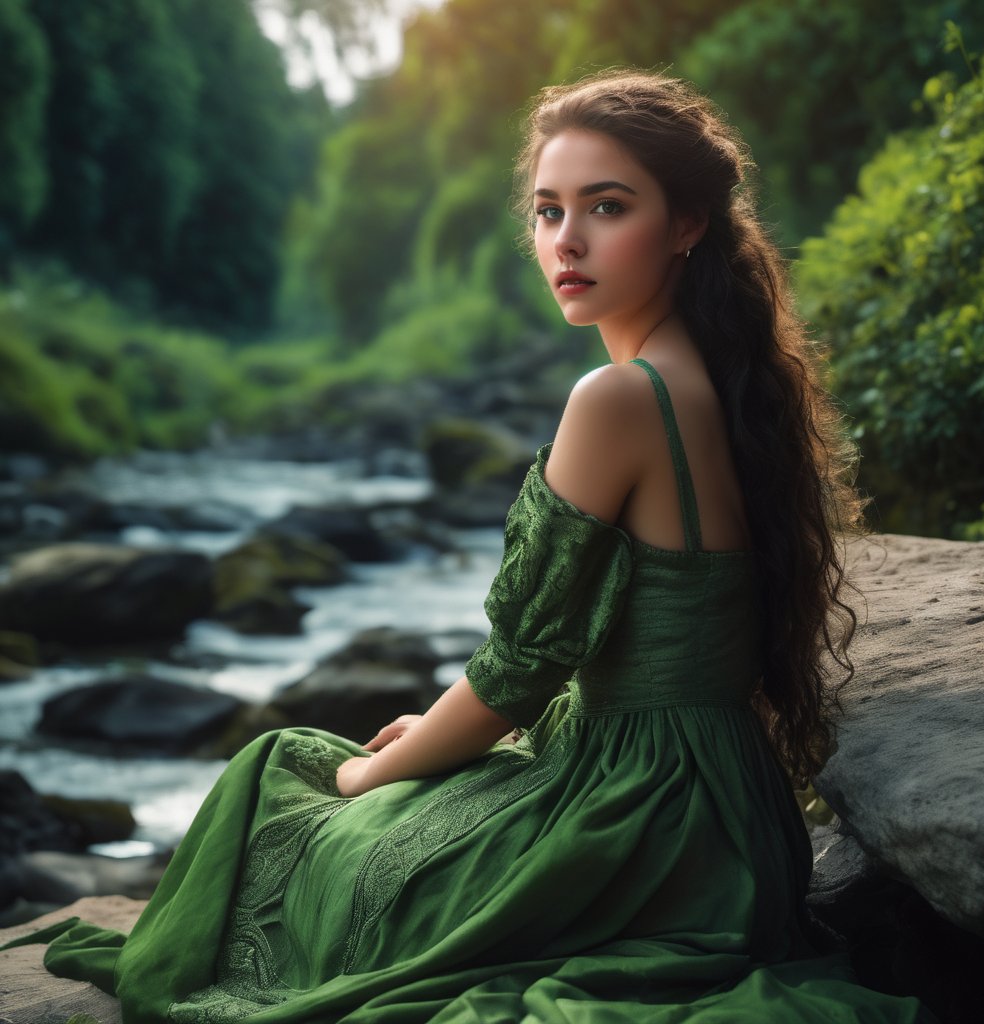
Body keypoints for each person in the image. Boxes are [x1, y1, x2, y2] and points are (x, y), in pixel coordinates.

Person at [6, 70, 935, 1023]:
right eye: (547, 211)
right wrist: (434, 742)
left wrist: (373, 773)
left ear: (688, 221)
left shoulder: (619, 398)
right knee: (345, 782)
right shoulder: (725, 380)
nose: (564, 242)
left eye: (605, 208)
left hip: (640, 817)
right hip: (724, 808)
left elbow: (522, 667)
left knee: (285, 774)